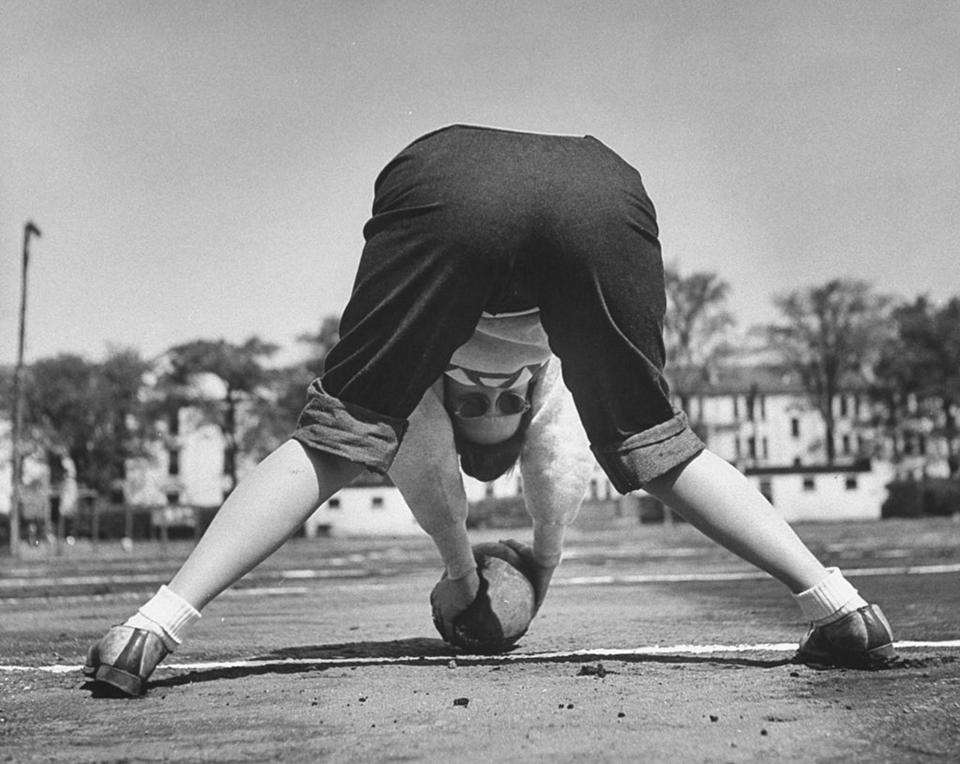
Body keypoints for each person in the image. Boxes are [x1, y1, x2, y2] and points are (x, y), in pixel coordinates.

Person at [84, 124, 896, 696]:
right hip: (601, 189)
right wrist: (539, 562)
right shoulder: (524, 414)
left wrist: (462, 573)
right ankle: (840, 606)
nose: (490, 398)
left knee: (333, 441)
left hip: (447, 180)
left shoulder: (440, 414)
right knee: (664, 447)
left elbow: (395, 470)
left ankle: (153, 626)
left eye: (494, 403)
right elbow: (613, 469)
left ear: (519, 410)